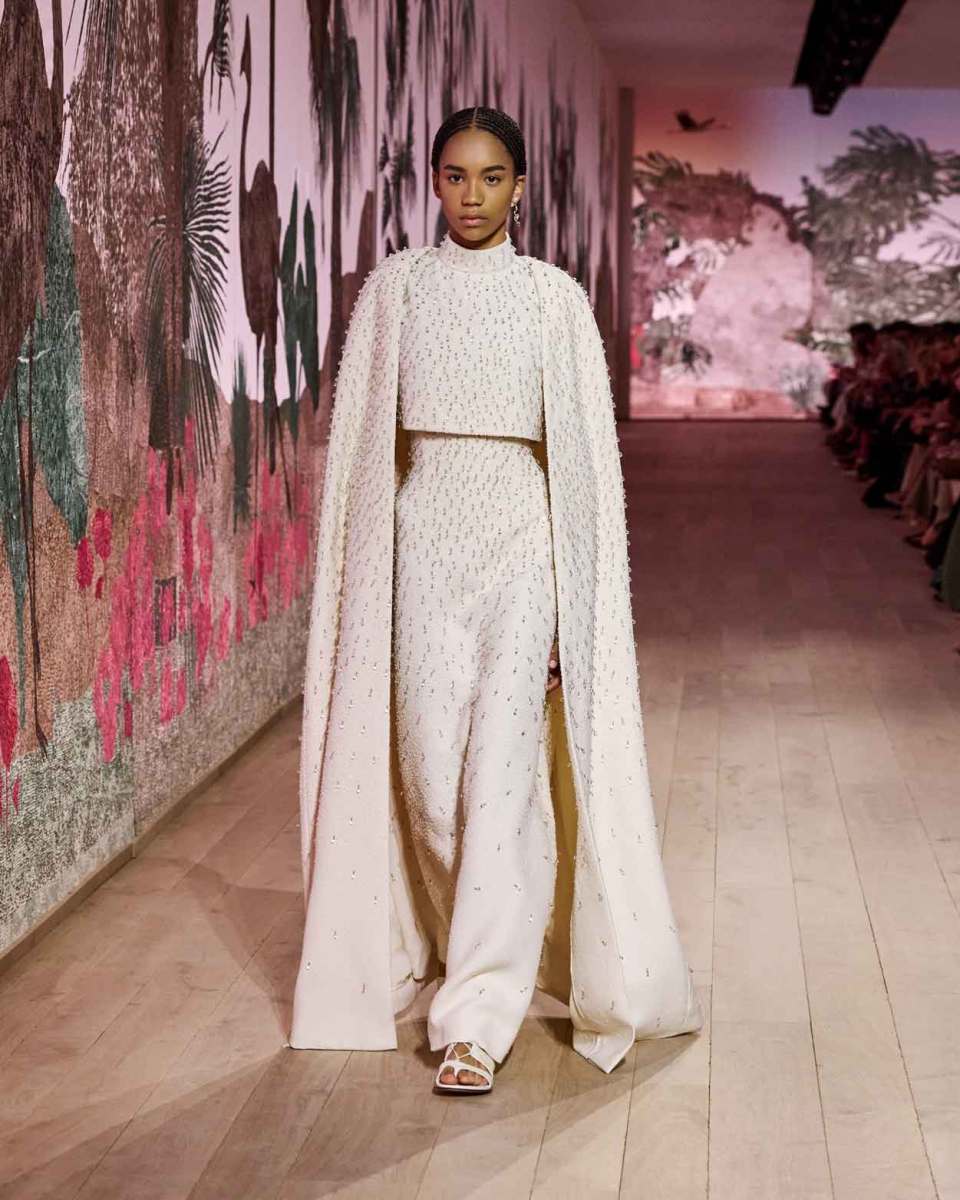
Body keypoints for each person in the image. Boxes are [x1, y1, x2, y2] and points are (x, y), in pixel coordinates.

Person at [289, 105, 703, 1095]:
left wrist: (575, 608)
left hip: (524, 549)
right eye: (454, 175)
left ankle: (477, 1017)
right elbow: (361, 456)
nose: (471, 195)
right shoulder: (396, 290)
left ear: (520, 187)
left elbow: (586, 469)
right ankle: (453, 946)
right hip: (420, 548)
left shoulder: (553, 299)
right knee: (433, 780)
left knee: (501, 783)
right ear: (434, 182)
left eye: (490, 176)